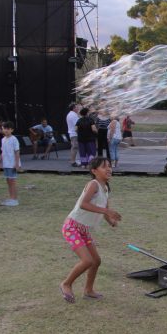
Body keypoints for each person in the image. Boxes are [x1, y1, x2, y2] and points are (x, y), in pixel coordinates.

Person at [59, 157, 121, 303]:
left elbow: (103, 209)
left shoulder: (105, 188)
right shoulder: (93, 184)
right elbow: (83, 204)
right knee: (87, 261)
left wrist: (111, 221)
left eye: (109, 166)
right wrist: (107, 211)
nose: (108, 169)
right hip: (72, 227)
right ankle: (66, 284)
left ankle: (88, 290)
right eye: (104, 167)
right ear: (94, 171)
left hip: (83, 229)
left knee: (96, 261)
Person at [0, 121, 21, 207]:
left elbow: (17, 152)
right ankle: (11, 198)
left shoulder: (14, 139)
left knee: (12, 182)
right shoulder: (3, 139)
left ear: (12, 130)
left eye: (8, 129)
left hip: (12, 164)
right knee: (8, 182)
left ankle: (14, 199)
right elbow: (3, 152)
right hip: (6, 164)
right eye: (4, 128)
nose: (6, 130)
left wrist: (16, 164)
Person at [66, 103, 81, 167]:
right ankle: (73, 161)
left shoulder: (71, 114)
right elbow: (77, 125)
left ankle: (74, 161)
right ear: (74, 108)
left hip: (73, 133)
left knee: (74, 147)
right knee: (75, 147)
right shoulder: (73, 115)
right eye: (77, 107)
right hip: (75, 134)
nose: (78, 108)